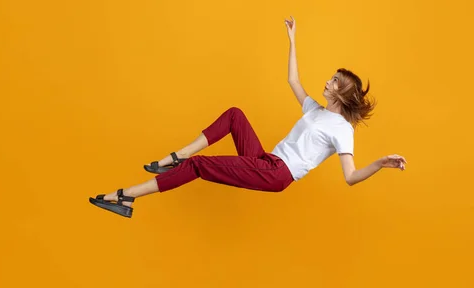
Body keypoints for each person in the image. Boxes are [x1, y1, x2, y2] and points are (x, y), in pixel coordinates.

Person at [88, 16, 407, 218]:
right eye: (331, 77)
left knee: (199, 166)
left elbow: (350, 177)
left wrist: (380, 164)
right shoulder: (317, 111)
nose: (327, 81)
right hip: (267, 160)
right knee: (235, 116)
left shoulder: (341, 129)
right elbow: (293, 82)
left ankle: (126, 196)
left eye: (335, 81)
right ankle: (178, 156)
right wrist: (293, 41)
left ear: (344, 94)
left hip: (278, 174)